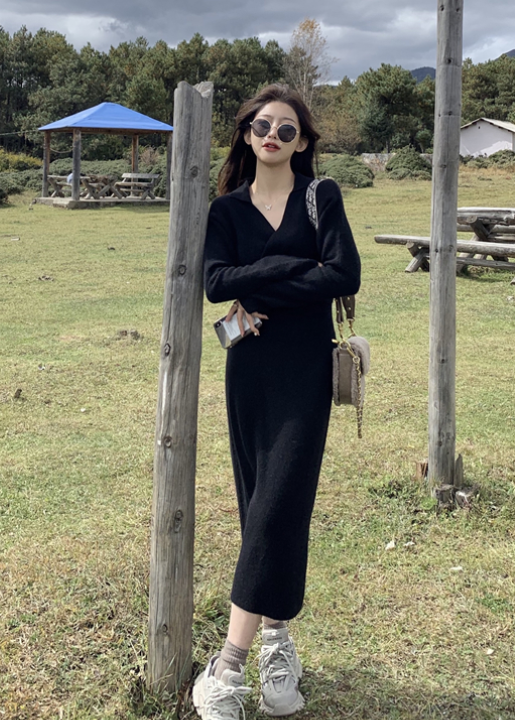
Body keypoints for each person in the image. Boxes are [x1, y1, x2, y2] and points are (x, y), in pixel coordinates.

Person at [194, 84, 361, 720]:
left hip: (304, 371)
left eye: (287, 129)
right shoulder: (226, 210)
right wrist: (291, 269)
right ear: (246, 133)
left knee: (278, 503)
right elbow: (216, 283)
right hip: (249, 370)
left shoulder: (322, 197)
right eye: (263, 125)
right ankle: (277, 639)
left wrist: (260, 281)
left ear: (303, 141)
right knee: (259, 505)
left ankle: (228, 665)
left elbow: (344, 274)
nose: (273, 135)